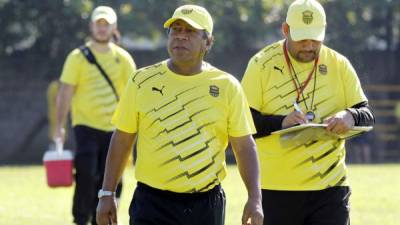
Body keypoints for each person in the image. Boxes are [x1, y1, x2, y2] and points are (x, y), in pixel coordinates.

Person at [96, 4, 263, 225]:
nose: (181, 37)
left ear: (208, 42)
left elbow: (243, 146)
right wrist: (107, 194)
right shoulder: (141, 81)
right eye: (176, 30)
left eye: (191, 31)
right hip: (151, 203)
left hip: (206, 204)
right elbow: (122, 139)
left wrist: (255, 198)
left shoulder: (227, 86)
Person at [241, 0, 375, 224]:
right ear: (285, 30)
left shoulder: (339, 64)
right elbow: (242, 125)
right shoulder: (260, 64)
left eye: (315, 38)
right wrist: (281, 123)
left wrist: (349, 116)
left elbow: (367, 113)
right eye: (302, 38)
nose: (308, 46)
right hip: (275, 189)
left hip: (330, 188)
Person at [54, 6, 136, 225]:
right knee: (86, 174)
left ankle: (104, 219)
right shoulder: (77, 57)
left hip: (115, 129)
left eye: (106, 24)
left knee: (111, 178)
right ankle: (81, 219)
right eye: (98, 24)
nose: (102, 29)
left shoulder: (124, 58)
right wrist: (60, 127)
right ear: (91, 26)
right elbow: (65, 93)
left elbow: (135, 94)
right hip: (85, 127)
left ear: (114, 28)